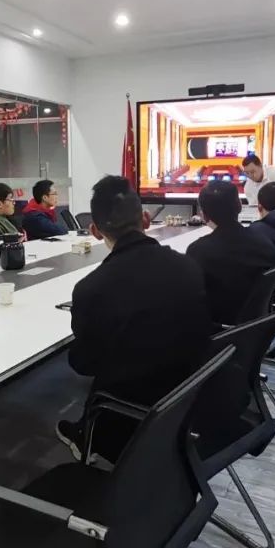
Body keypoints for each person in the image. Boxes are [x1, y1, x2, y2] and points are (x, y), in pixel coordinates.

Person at [57, 176, 211, 462]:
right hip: (189, 398)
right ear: (146, 219)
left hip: (126, 419)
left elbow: (85, 364)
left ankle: (86, 434)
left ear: (94, 231)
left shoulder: (91, 289)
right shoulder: (188, 266)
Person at [186, 181, 275, 326]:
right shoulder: (265, 243)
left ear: (204, 215)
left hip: (218, 330)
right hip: (259, 327)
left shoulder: (197, 251)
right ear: (240, 206)